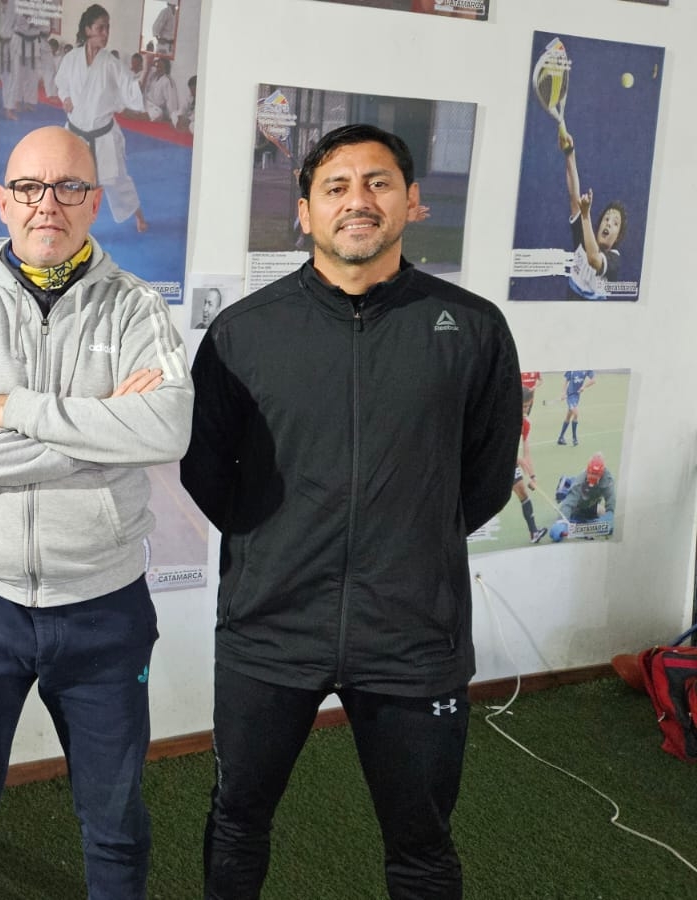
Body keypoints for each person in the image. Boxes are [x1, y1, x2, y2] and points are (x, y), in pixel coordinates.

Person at [181, 123, 520, 899]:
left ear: (412, 202)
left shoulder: (471, 329)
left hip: (414, 638)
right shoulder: (243, 334)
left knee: (422, 846)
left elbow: (485, 480)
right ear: (305, 212)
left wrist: (410, 541)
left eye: (378, 183)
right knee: (237, 820)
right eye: (336, 187)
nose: (358, 200)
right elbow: (206, 472)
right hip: (270, 631)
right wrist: (278, 547)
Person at [0, 125, 192, 899]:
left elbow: (167, 429)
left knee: (115, 824)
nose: (48, 204)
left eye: (69, 188)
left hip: (103, 608)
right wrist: (98, 436)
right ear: (4, 200)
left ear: (95, 201)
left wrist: (11, 408)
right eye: (30, 188)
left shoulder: (137, 308)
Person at [53, 4, 149, 233]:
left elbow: (130, 90)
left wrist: (145, 71)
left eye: (108, 28)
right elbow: (61, 83)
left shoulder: (111, 63)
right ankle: (69, 221)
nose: (106, 33)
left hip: (104, 136)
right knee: (72, 180)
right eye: (100, 28)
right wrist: (66, 97)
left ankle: (139, 215)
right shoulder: (72, 58)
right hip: (76, 133)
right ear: (88, 30)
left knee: (118, 181)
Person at [558, 124, 629, 299]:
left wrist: (585, 215)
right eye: (606, 218)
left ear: (618, 237)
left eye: (615, 223)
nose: (608, 223)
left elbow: (593, 259)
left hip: (593, 313)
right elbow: (574, 195)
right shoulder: (584, 233)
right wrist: (569, 153)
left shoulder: (613, 259)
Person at [549, 452, 616, 541]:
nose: (593, 478)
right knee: (567, 520)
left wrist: (609, 515)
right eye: (591, 474)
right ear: (588, 471)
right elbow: (569, 503)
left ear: (601, 474)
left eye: (596, 476)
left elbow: (611, 502)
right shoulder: (579, 482)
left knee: (610, 524)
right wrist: (561, 521)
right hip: (578, 507)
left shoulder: (607, 479)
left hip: (592, 505)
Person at [512, 388, 546, 543]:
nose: (526, 410)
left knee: (522, 492)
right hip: (496, 460)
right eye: (523, 406)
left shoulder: (525, 423)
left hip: (510, 463)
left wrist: (533, 476)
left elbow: (527, 453)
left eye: (528, 406)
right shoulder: (506, 419)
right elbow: (500, 447)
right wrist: (519, 460)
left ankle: (534, 532)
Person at [557, 368, 595, 445]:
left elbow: (593, 380)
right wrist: (563, 393)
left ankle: (560, 438)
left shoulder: (586, 368)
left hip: (576, 396)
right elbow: (566, 381)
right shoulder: (571, 368)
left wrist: (584, 387)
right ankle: (574, 438)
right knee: (576, 414)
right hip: (570, 396)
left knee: (568, 416)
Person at [142, 57, 182, 128]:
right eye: (157, 67)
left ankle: (139, 116)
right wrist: (152, 65)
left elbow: (171, 100)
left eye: (161, 67)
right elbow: (144, 82)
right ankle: (139, 115)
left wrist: (172, 117)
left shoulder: (167, 80)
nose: (158, 69)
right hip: (147, 104)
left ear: (166, 68)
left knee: (156, 114)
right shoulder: (153, 76)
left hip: (156, 109)